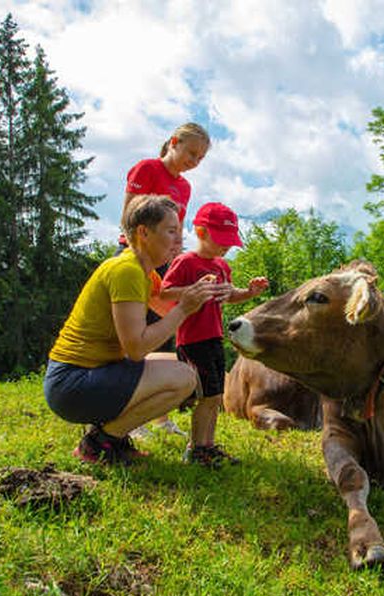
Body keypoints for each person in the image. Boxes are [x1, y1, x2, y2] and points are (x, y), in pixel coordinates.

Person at [43, 195, 220, 466]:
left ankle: (113, 435)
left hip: (88, 375)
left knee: (187, 366)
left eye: (180, 231)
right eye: (171, 231)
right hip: (72, 384)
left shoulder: (142, 271)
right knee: (184, 377)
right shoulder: (127, 271)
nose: (179, 240)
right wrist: (184, 308)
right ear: (143, 232)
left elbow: (166, 306)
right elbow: (137, 349)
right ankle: (101, 442)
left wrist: (205, 293)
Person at [120, 122, 212, 438]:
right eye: (191, 152)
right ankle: (130, 416)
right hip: (138, 259)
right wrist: (140, 261)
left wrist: (179, 262)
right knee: (136, 332)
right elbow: (129, 216)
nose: (194, 161)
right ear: (174, 142)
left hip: (166, 265)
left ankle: (160, 414)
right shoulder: (147, 169)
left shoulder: (184, 187)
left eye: (200, 158)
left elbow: (177, 231)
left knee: (169, 332)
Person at [160, 202, 269, 468]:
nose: (226, 247)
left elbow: (228, 295)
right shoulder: (186, 262)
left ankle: (207, 445)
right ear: (200, 232)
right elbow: (165, 292)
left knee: (216, 396)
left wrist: (249, 293)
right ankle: (196, 448)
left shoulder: (221, 265)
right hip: (192, 340)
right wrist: (193, 290)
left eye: (230, 241)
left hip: (214, 337)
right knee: (205, 396)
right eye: (221, 239)